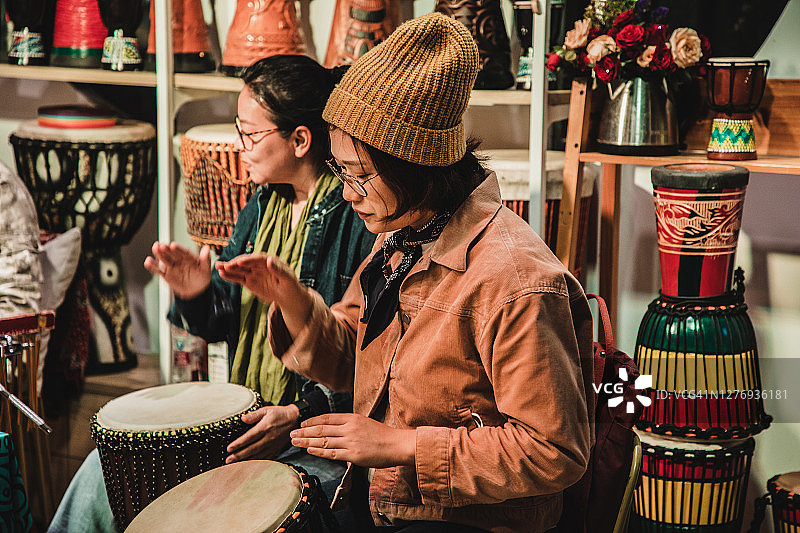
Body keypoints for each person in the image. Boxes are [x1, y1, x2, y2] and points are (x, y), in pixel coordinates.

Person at [216, 13, 595, 533]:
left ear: (414, 166)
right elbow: (358, 360)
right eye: (340, 172)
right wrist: (295, 302)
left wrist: (403, 445)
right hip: (387, 503)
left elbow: (555, 450)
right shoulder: (403, 239)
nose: (348, 194)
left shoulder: (514, 279)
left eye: (360, 175)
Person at [48, 55, 375, 533]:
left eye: (251, 133)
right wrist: (198, 293)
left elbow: (366, 359)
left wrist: (297, 414)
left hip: (314, 433)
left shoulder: (357, 215)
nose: (240, 146)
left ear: (300, 140)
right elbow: (222, 321)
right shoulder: (264, 202)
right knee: (101, 473)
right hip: (247, 420)